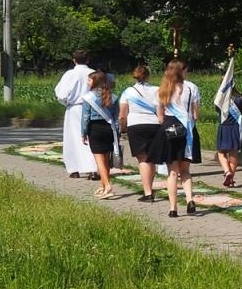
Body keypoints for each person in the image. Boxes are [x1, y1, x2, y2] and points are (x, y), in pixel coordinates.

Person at [151, 59, 201, 218]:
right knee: (185, 171)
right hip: (187, 131)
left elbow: (160, 117)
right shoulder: (191, 88)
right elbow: (195, 115)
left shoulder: (162, 90)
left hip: (170, 131)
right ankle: (189, 199)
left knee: (172, 172)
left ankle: (173, 209)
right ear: (181, 71)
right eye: (186, 70)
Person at [117, 65, 161, 203]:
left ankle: (148, 192)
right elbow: (161, 110)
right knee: (151, 159)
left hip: (135, 125)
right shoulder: (157, 90)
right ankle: (150, 187)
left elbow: (122, 115)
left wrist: (122, 129)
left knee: (143, 159)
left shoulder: (128, 92)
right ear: (148, 76)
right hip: (154, 124)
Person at [55, 49, 97, 179]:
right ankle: (93, 168)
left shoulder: (70, 74)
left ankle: (74, 169)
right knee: (90, 137)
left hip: (75, 108)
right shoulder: (93, 73)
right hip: (93, 107)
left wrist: (67, 103)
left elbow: (61, 94)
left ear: (74, 60)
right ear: (88, 59)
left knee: (72, 139)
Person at [79, 70, 120, 199]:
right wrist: (117, 133)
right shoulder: (113, 96)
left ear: (95, 81)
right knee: (106, 159)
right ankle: (102, 186)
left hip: (95, 128)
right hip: (109, 128)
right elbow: (116, 117)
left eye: (89, 80)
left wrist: (83, 133)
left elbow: (85, 117)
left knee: (99, 160)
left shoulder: (88, 97)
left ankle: (107, 186)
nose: (88, 82)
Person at [215, 83, 242, 188]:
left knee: (221, 153)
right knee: (234, 154)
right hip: (236, 127)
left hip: (224, 126)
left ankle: (227, 171)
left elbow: (217, 110)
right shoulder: (240, 97)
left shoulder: (219, 97)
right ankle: (231, 179)